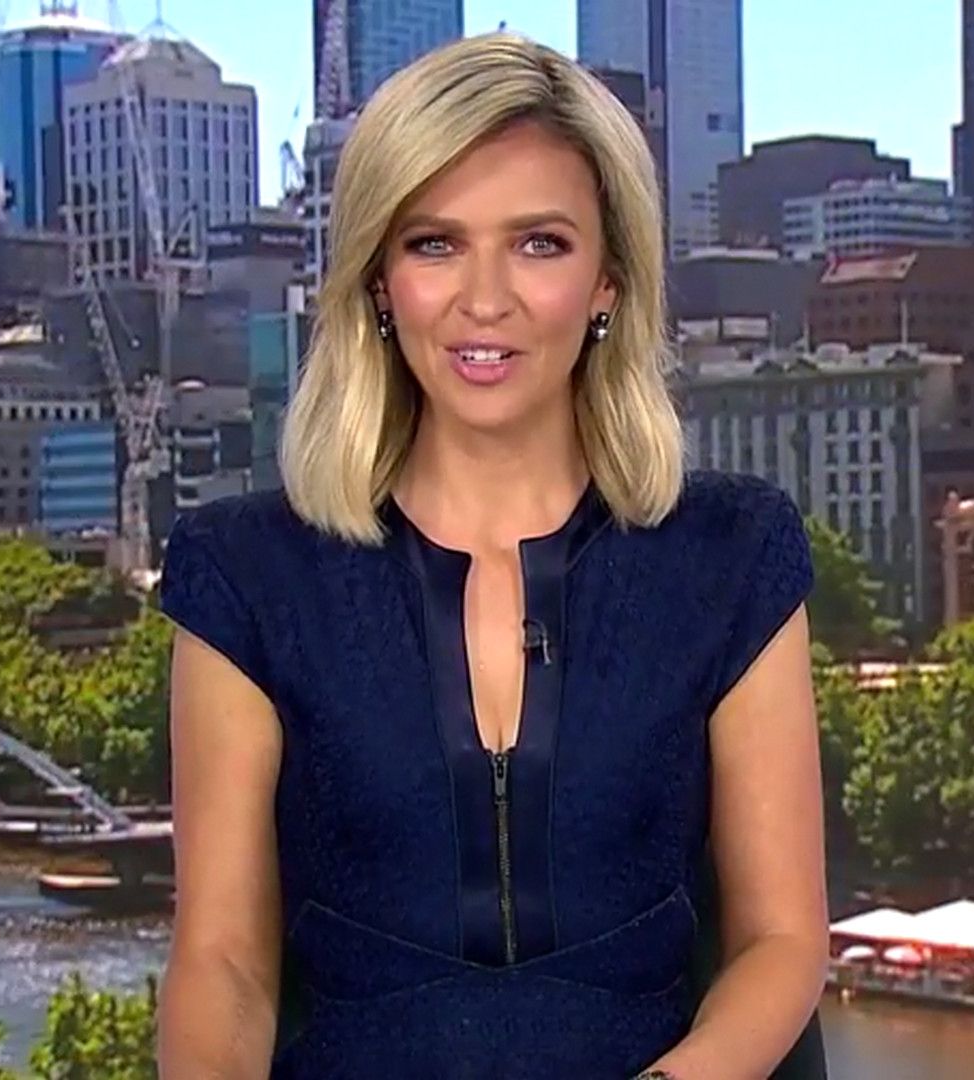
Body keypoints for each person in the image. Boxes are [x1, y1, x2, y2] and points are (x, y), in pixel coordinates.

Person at [155, 31, 827, 1079]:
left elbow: (780, 941)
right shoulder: (245, 577)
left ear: (609, 281)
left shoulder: (733, 558)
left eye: (539, 244)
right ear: (379, 282)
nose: (485, 299)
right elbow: (223, 963)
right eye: (435, 244)